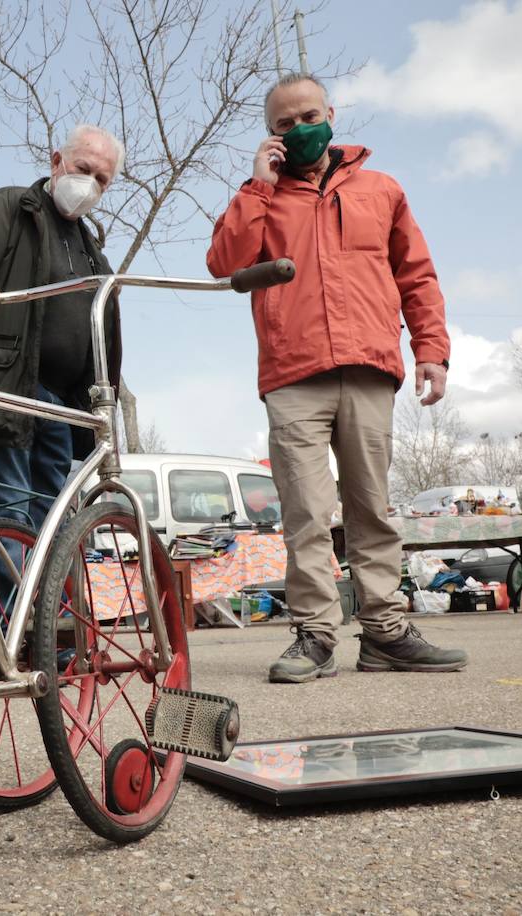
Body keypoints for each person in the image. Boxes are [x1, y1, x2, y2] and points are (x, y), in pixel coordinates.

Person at [205, 73, 467, 683]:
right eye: (283, 124)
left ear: (331, 113)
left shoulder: (382, 190)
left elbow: (418, 276)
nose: (298, 130)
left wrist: (432, 349)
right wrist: (256, 187)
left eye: (307, 117)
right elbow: (224, 261)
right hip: (292, 372)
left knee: (371, 506)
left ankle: (384, 631)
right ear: (270, 136)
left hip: (370, 366)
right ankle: (316, 635)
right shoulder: (261, 198)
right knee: (305, 511)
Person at [0, 125, 124, 529]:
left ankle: (37, 596)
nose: (88, 184)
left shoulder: (95, 256)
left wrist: (92, 427)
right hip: (4, 395)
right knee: (6, 525)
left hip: (59, 413)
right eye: (83, 168)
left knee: (48, 534)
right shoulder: (8, 208)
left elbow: (101, 346)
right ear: (57, 162)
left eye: (101, 179)